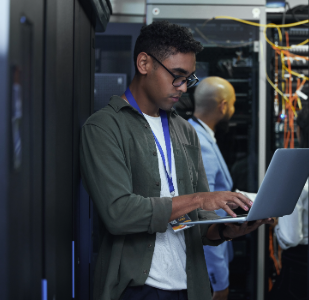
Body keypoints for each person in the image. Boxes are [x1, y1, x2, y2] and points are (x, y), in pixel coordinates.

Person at [80, 21, 274, 300]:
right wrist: (199, 200)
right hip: (137, 291)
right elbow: (118, 214)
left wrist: (225, 229)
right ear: (144, 63)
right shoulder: (104, 128)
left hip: (190, 288)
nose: (183, 87)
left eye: (189, 78)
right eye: (177, 76)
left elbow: (195, 223)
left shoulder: (185, 131)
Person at [188, 77, 236, 300]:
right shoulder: (200, 143)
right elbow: (207, 214)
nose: (233, 110)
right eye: (233, 104)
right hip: (208, 265)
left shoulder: (198, 135)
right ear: (223, 106)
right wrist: (219, 281)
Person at [269, 104, 309, 300]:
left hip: (301, 267)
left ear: (300, 131)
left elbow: (290, 238)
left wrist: (276, 224)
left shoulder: (294, 174)